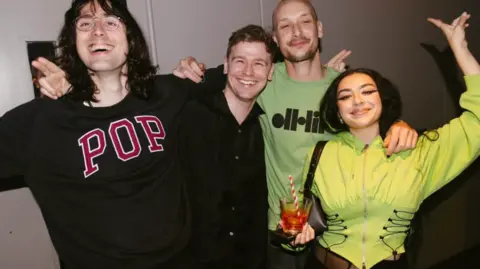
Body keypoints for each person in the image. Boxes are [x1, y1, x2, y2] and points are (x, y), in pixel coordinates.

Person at [170, 1, 418, 268]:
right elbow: (229, 78)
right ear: (276, 39)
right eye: (285, 26)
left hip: (338, 231)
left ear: (319, 28)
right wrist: (190, 71)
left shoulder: (341, 87)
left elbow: (373, 121)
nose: (296, 31)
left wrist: (397, 124)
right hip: (282, 231)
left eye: (305, 21)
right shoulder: (264, 78)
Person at [0, 0, 212, 268]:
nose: (98, 30)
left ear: (131, 39)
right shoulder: (40, 121)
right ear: (73, 42)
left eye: (111, 21)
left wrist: (198, 72)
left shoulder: (165, 93)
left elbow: (236, 77)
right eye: (85, 23)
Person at [301, 12, 479, 269]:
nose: (358, 101)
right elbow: (300, 217)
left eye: (367, 91)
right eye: (345, 96)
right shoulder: (320, 153)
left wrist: (460, 50)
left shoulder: (420, 150)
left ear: (383, 100)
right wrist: (295, 233)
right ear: (337, 111)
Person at [178, 24, 276, 269]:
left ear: (271, 71)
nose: (248, 72)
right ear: (226, 64)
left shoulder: (266, 127)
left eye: (259, 63)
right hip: (195, 260)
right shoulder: (189, 113)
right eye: (240, 61)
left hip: (249, 259)